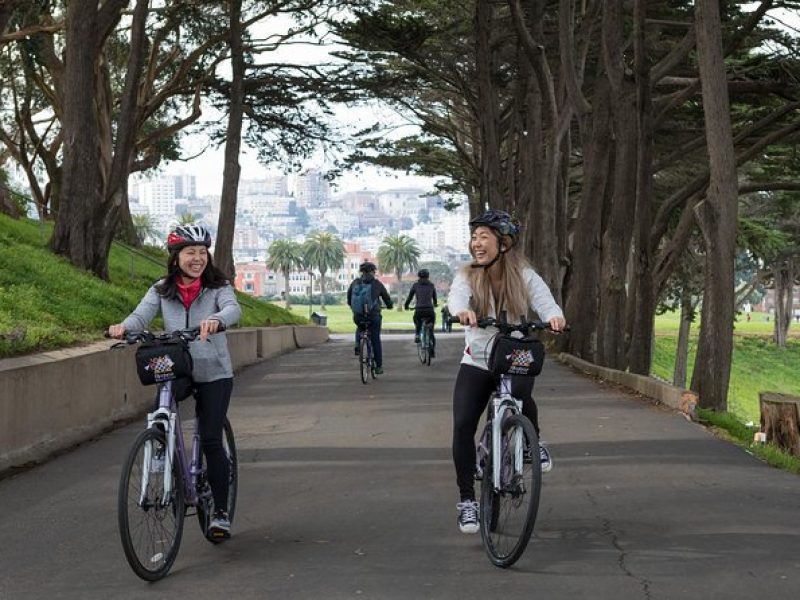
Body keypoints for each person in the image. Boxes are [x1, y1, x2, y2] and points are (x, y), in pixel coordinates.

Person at [108, 224, 241, 540]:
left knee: (210, 438)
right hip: (178, 366)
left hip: (214, 372)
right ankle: (161, 453)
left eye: (201, 252)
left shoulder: (217, 286)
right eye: (190, 252)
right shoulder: (161, 289)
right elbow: (140, 316)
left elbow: (233, 309)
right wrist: (123, 327)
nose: (197, 258)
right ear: (176, 257)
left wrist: (218, 319)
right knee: (160, 414)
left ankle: (219, 513)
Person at [448, 209, 566, 534]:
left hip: (512, 353)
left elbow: (545, 302)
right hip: (477, 359)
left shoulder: (524, 274)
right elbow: (456, 298)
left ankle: (532, 441)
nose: (476, 243)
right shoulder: (468, 274)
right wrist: (462, 311)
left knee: (522, 391)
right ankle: (468, 502)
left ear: (504, 243)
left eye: (484, 236)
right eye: (474, 237)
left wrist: (554, 317)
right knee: (462, 425)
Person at [347, 261, 393, 375]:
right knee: (375, 339)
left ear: (361, 272)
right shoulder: (377, 284)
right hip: (373, 316)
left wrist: (355, 308)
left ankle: (358, 344)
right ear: (373, 272)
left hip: (358, 316)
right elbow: (387, 299)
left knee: (360, 325)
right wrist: (389, 306)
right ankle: (378, 367)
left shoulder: (355, 283)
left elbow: (349, 299)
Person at [404, 268, 438, 356]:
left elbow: (410, 297)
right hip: (429, 310)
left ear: (419, 276)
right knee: (431, 331)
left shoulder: (415, 285)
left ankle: (417, 334)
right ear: (428, 276)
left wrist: (406, 306)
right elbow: (434, 297)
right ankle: (432, 350)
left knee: (417, 320)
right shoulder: (431, 285)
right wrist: (435, 303)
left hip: (419, 309)